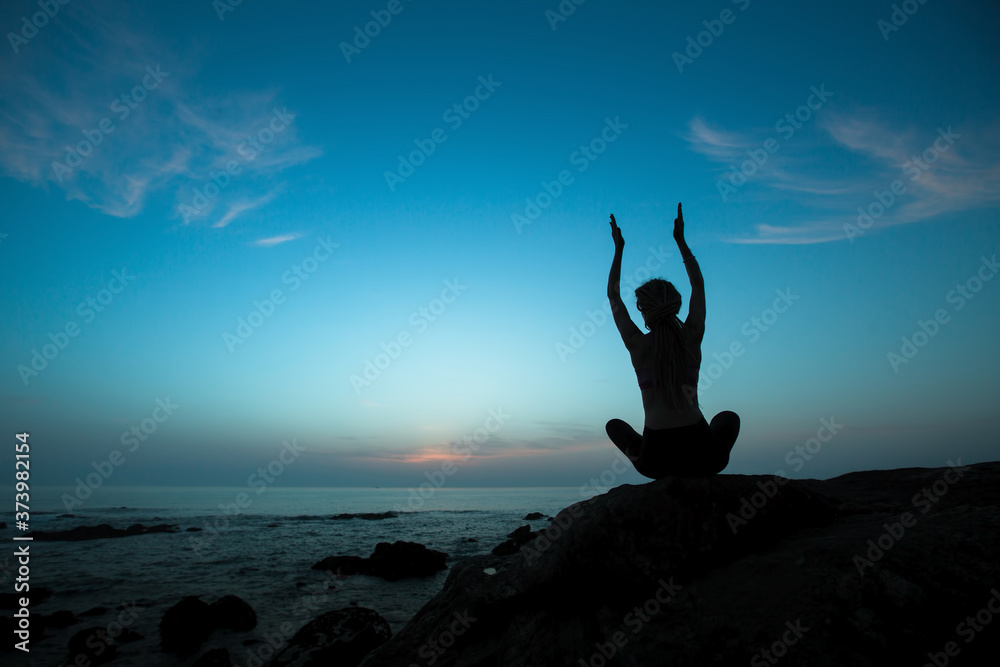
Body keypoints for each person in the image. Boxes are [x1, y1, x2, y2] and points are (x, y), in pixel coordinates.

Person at [605, 203, 739, 478]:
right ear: (675, 305)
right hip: (704, 457)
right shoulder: (692, 336)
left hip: (656, 461)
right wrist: (681, 242)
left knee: (614, 426)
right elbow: (698, 286)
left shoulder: (637, 344)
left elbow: (613, 296)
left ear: (643, 310)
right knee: (727, 419)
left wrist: (618, 249)